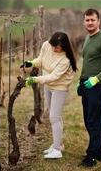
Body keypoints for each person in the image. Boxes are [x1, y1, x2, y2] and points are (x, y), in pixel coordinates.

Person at [21, 31, 77, 159]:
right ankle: (59, 144)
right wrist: (31, 63)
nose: (54, 49)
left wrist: (34, 79)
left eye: (57, 47)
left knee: (54, 117)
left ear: (64, 47)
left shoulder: (65, 60)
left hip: (60, 87)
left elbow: (53, 77)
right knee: (55, 116)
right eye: (53, 46)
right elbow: (41, 60)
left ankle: (57, 150)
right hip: (48, 86)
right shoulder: (47, 45)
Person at [77, 8, 101, 167]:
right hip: (87, 84)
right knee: (88, 120)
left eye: (93, 20)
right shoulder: (87, 38)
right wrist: (81, 82)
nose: (90, 22)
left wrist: (96, 79)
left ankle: (91, 156)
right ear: (84, 21)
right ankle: (98, 151)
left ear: (98, 21)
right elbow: (88, 62)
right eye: (87, 20)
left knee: (95, 121)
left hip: (99, 86)